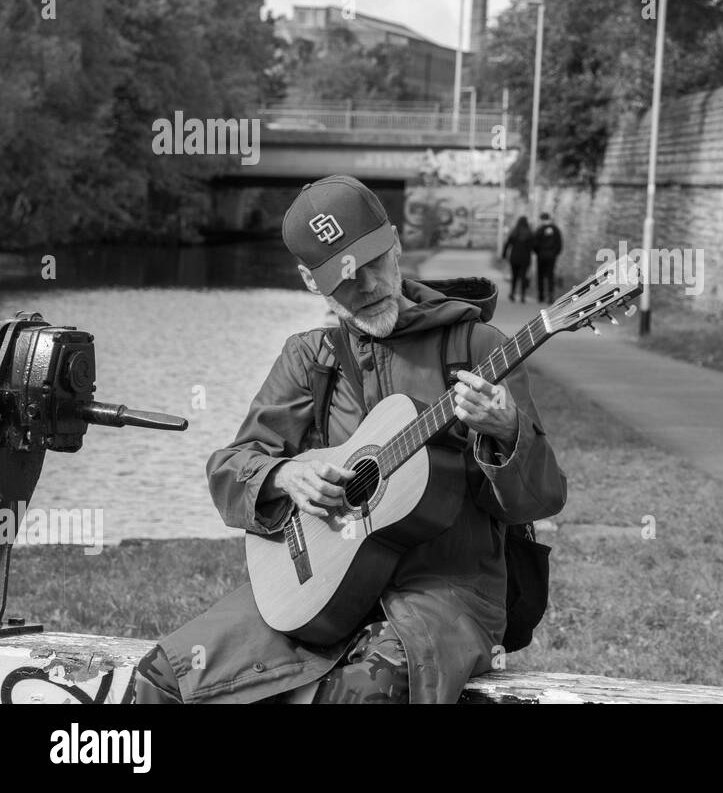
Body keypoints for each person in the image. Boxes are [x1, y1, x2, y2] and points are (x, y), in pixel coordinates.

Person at [131, 174, 566, 704]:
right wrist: (284, 474)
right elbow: (231, 466)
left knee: (354, 692)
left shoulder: (478, 346)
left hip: (445, 596)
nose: (364, 286)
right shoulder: (310, 356)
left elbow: (541, 498)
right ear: (311, 282)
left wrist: (508, 432)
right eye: (341, 278)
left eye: (373, 262)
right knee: (164, 675)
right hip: (322, 585)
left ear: (396, 242)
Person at [532, 212, 563, 304]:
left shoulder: (539, 230)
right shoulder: (556, 229)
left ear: (541, 219)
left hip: (541, 256)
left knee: (540, 275)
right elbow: (559, 244)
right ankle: (550, 296)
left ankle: (541, 296)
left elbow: (535, 244)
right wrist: (555, 253)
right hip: (551, 256)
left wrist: (538, 253)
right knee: (550, 276)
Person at [501, 216, 533, 303]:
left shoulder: (514, 232)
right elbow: (532, 246)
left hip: (514, 257)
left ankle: (512, 293)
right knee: (523, 276)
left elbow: (507, 244)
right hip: (525, 258)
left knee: (514, 276)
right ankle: (523, 296)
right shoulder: (529, 233)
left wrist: (503, 255)